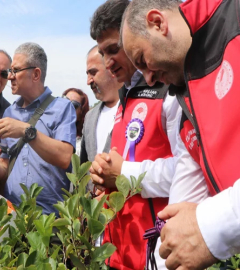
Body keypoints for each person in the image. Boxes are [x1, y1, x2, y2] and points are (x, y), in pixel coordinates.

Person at [88, 0, 208, 269]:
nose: (108, 62)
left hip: (156, 253)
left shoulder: (169, 89)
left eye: (113, 50)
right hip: (120, 251)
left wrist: (124, 173)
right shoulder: (124, 95)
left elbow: (190, 169)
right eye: (102, 52)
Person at [121, 0, 240, 268]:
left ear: (158, 23)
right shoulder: (185, 99)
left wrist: (213, 225)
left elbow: (205, 225)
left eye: (143, 61)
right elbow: (186, 194)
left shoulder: (236, 19)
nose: (148, 79)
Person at [0, 42, 76, 215]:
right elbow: (4, 168)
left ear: (35, 74)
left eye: (15, 70)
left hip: (49, 220)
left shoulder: (63, 108)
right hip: (12, 218)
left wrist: (27, 131)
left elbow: (65, 157)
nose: (9, 77)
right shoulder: (9, 112)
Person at [80, 45, 123, 165]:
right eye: (87, 74)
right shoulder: (89, 117)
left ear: (111, 68)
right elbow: (82, 166)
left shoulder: (137, 108)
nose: (88, 81)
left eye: (93, 73)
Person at [62, 88, 89, 156]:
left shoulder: (82, 144)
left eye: (74, 105)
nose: (67, 107)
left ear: (81, 113)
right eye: (64, 100)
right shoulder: (47, 132)